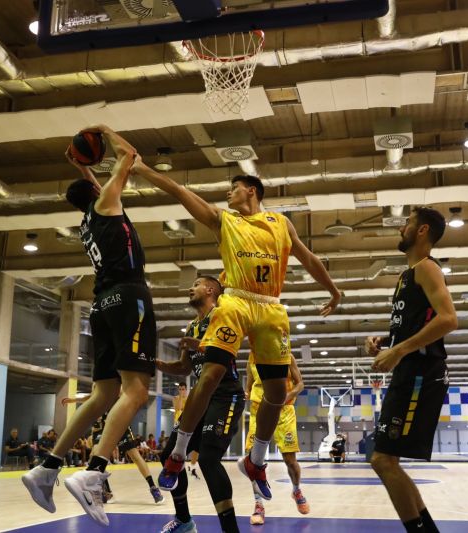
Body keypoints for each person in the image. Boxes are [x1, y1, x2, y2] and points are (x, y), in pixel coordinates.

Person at [132, 160, 341, 506]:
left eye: (235, 186)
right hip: (236, 301)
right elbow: (180, 191)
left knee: (277, 390)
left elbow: (308, 257)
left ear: (252, 190)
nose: (229, 192)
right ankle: (179, 452)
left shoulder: (281, 224)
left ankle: (255, 461)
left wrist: (334, 291)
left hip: (271, 307)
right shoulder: (224, 220)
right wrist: (143, 170)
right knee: (211, 373)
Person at [22, 126, 157, 527]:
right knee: (136, 390)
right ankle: (94, 472)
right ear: (98, 195)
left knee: (102, 394)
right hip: (128, 297)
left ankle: (46, 469)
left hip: (101, 305)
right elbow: (128, 155)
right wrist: (104, 131)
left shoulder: (89, 220)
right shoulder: (105, 207)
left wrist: (81, 167)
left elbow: (98, 187)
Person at [365, 206, 457, 533]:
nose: (402, 227)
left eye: (408, 223)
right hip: (411, 372)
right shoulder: (408, 275)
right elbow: (418, 322)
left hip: (422, 373)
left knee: (382, 460)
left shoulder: (428, 268)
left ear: (421, 231)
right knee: (387, 461)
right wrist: (386, 340)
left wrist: (400, 350)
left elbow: (449, 319)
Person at [155, 275, 245, 533]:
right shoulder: (192, 325)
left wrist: (201, 346)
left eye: (195, 284)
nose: (189, 288)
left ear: (209, 289)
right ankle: (184, 521)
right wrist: (156, 363)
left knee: (208, 459)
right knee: (168, 453)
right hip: (201, 398)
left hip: (226, 395)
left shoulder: (223, 314)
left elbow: (227, 351)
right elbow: (184, 367)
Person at [245, 353, 309, 526]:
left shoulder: (287, 356)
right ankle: (258, 505)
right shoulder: (252, 358)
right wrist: (244, 392)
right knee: (253, 461)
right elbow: (249, 387)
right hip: (259, 408)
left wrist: (287, 396)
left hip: (284, 409)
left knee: (290, 460)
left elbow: (300, 384)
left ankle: (296, 490)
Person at [174, 384, 201, 479]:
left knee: (196, 446)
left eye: (183, 389)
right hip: (178, 425)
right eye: (180, 389)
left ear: (186, 389)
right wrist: (181, 396)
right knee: (179, 448)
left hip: (188, 425)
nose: (182, 390)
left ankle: (193, 467)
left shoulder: (190, 398)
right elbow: (179, 408)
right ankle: (178, 468)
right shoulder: (176, 398)